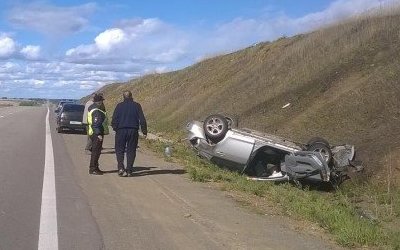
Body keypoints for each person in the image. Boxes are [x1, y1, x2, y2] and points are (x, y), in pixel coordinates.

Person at [111, 90, 147, 177]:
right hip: (133, 131)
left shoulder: (119, 106)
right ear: (131, 96)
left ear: (123, 97)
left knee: (119, 150)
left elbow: (114, 119)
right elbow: (142, 119)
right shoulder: (137, 106)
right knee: (131, 150)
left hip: (121, 130)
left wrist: (116, 128)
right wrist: (144, 131)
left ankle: (120, 167)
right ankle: (129, 170)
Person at [87, 94, 109, 175]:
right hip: (96, 134)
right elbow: (95, 124)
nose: (102, 102)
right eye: (102, 101)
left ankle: (95, 167)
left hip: (93, 133)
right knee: (96, 152)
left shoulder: (92, 108)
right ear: (99, 101)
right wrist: (98, 134)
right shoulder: (96, 110)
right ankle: (93, 168)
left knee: (96, 151)